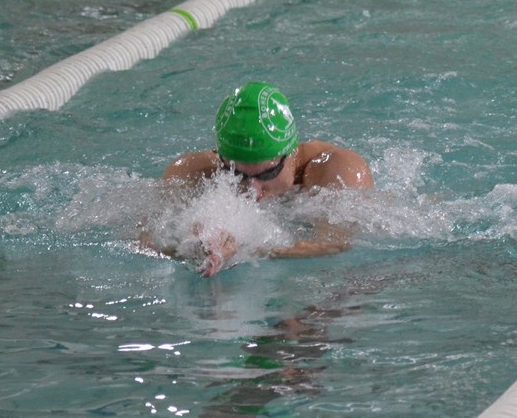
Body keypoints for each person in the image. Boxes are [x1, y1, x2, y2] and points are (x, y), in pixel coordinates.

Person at [149, 81, 373, 275]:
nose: (253, 190)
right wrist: (191, 246)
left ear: (291, 151)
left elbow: (335, 244)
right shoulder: (192, 172)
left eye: (268, 174)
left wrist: (246, 247)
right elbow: (147, 239)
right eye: (236, 174)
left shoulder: (337, 170)